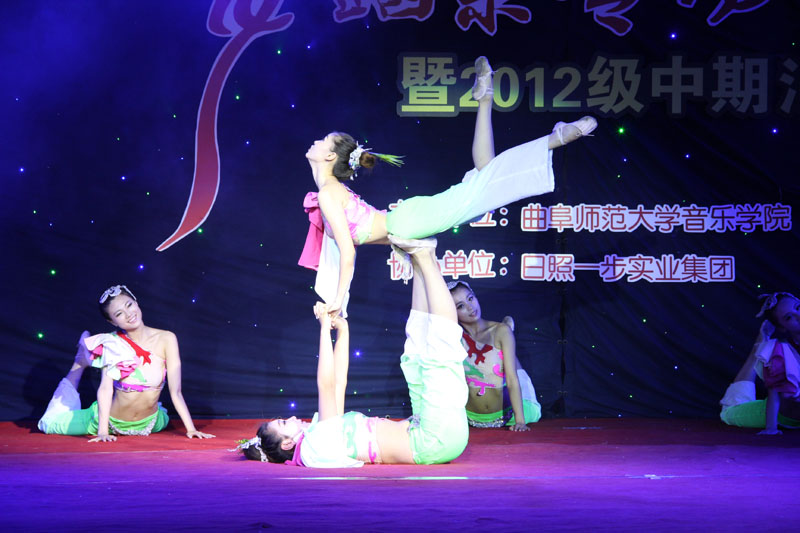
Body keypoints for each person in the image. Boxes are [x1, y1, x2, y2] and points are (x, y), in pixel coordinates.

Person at [299, 56, 597, 318]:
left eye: (322, 140)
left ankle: (553, 139)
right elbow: (356, 243)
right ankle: (485, 98)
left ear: (331, 156)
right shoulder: (330, 191)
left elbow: (348, 253)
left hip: (406, 221)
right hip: (404, 225)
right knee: (484, 175)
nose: (315, 141)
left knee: (484, 183)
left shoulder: (328, 193)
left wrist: (338, 300)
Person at [237, 239, 469, 466]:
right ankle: (426, 257)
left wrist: (342, 330)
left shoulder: (320, 435)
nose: (291, 417)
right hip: (433, 440)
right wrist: (323, 328)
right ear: (288, 444)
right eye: (283, 423)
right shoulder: (316, 446)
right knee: (440, 347)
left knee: (416, 352)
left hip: (427, 433)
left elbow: (339, 382)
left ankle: (419, 259)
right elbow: (326, 385)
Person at [37, 285, 215, 442]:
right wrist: (102, 431)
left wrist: (191, 429)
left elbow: (176, 392)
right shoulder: (111, 343)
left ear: (136, 302)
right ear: (112, 321)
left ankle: (86, 356)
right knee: (48, 423)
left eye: (129, 305)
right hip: (110, 422)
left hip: (151, 423)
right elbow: (106, 389)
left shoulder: (167, 338)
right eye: (119, 313)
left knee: (162, 413)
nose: (129, 314)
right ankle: (80, 362)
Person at [448, 280, 541, 431]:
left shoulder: (500, 331)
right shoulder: (452, 338)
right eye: (460, 306)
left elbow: (511, 379)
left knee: (509, 363)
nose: (470, 307)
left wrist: (520, 421)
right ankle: (506, 347)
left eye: (470, 298)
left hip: (508, 416)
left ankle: (508, 342)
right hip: (470, 418)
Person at [719, 292, 800, 434]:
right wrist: (771, 428)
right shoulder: (784, 352)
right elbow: (775, 392)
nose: (798, 316)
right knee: (729, 413)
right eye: (789, 317)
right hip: (784, 416)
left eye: (798, 308)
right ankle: (760, 342)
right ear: (782, 327)